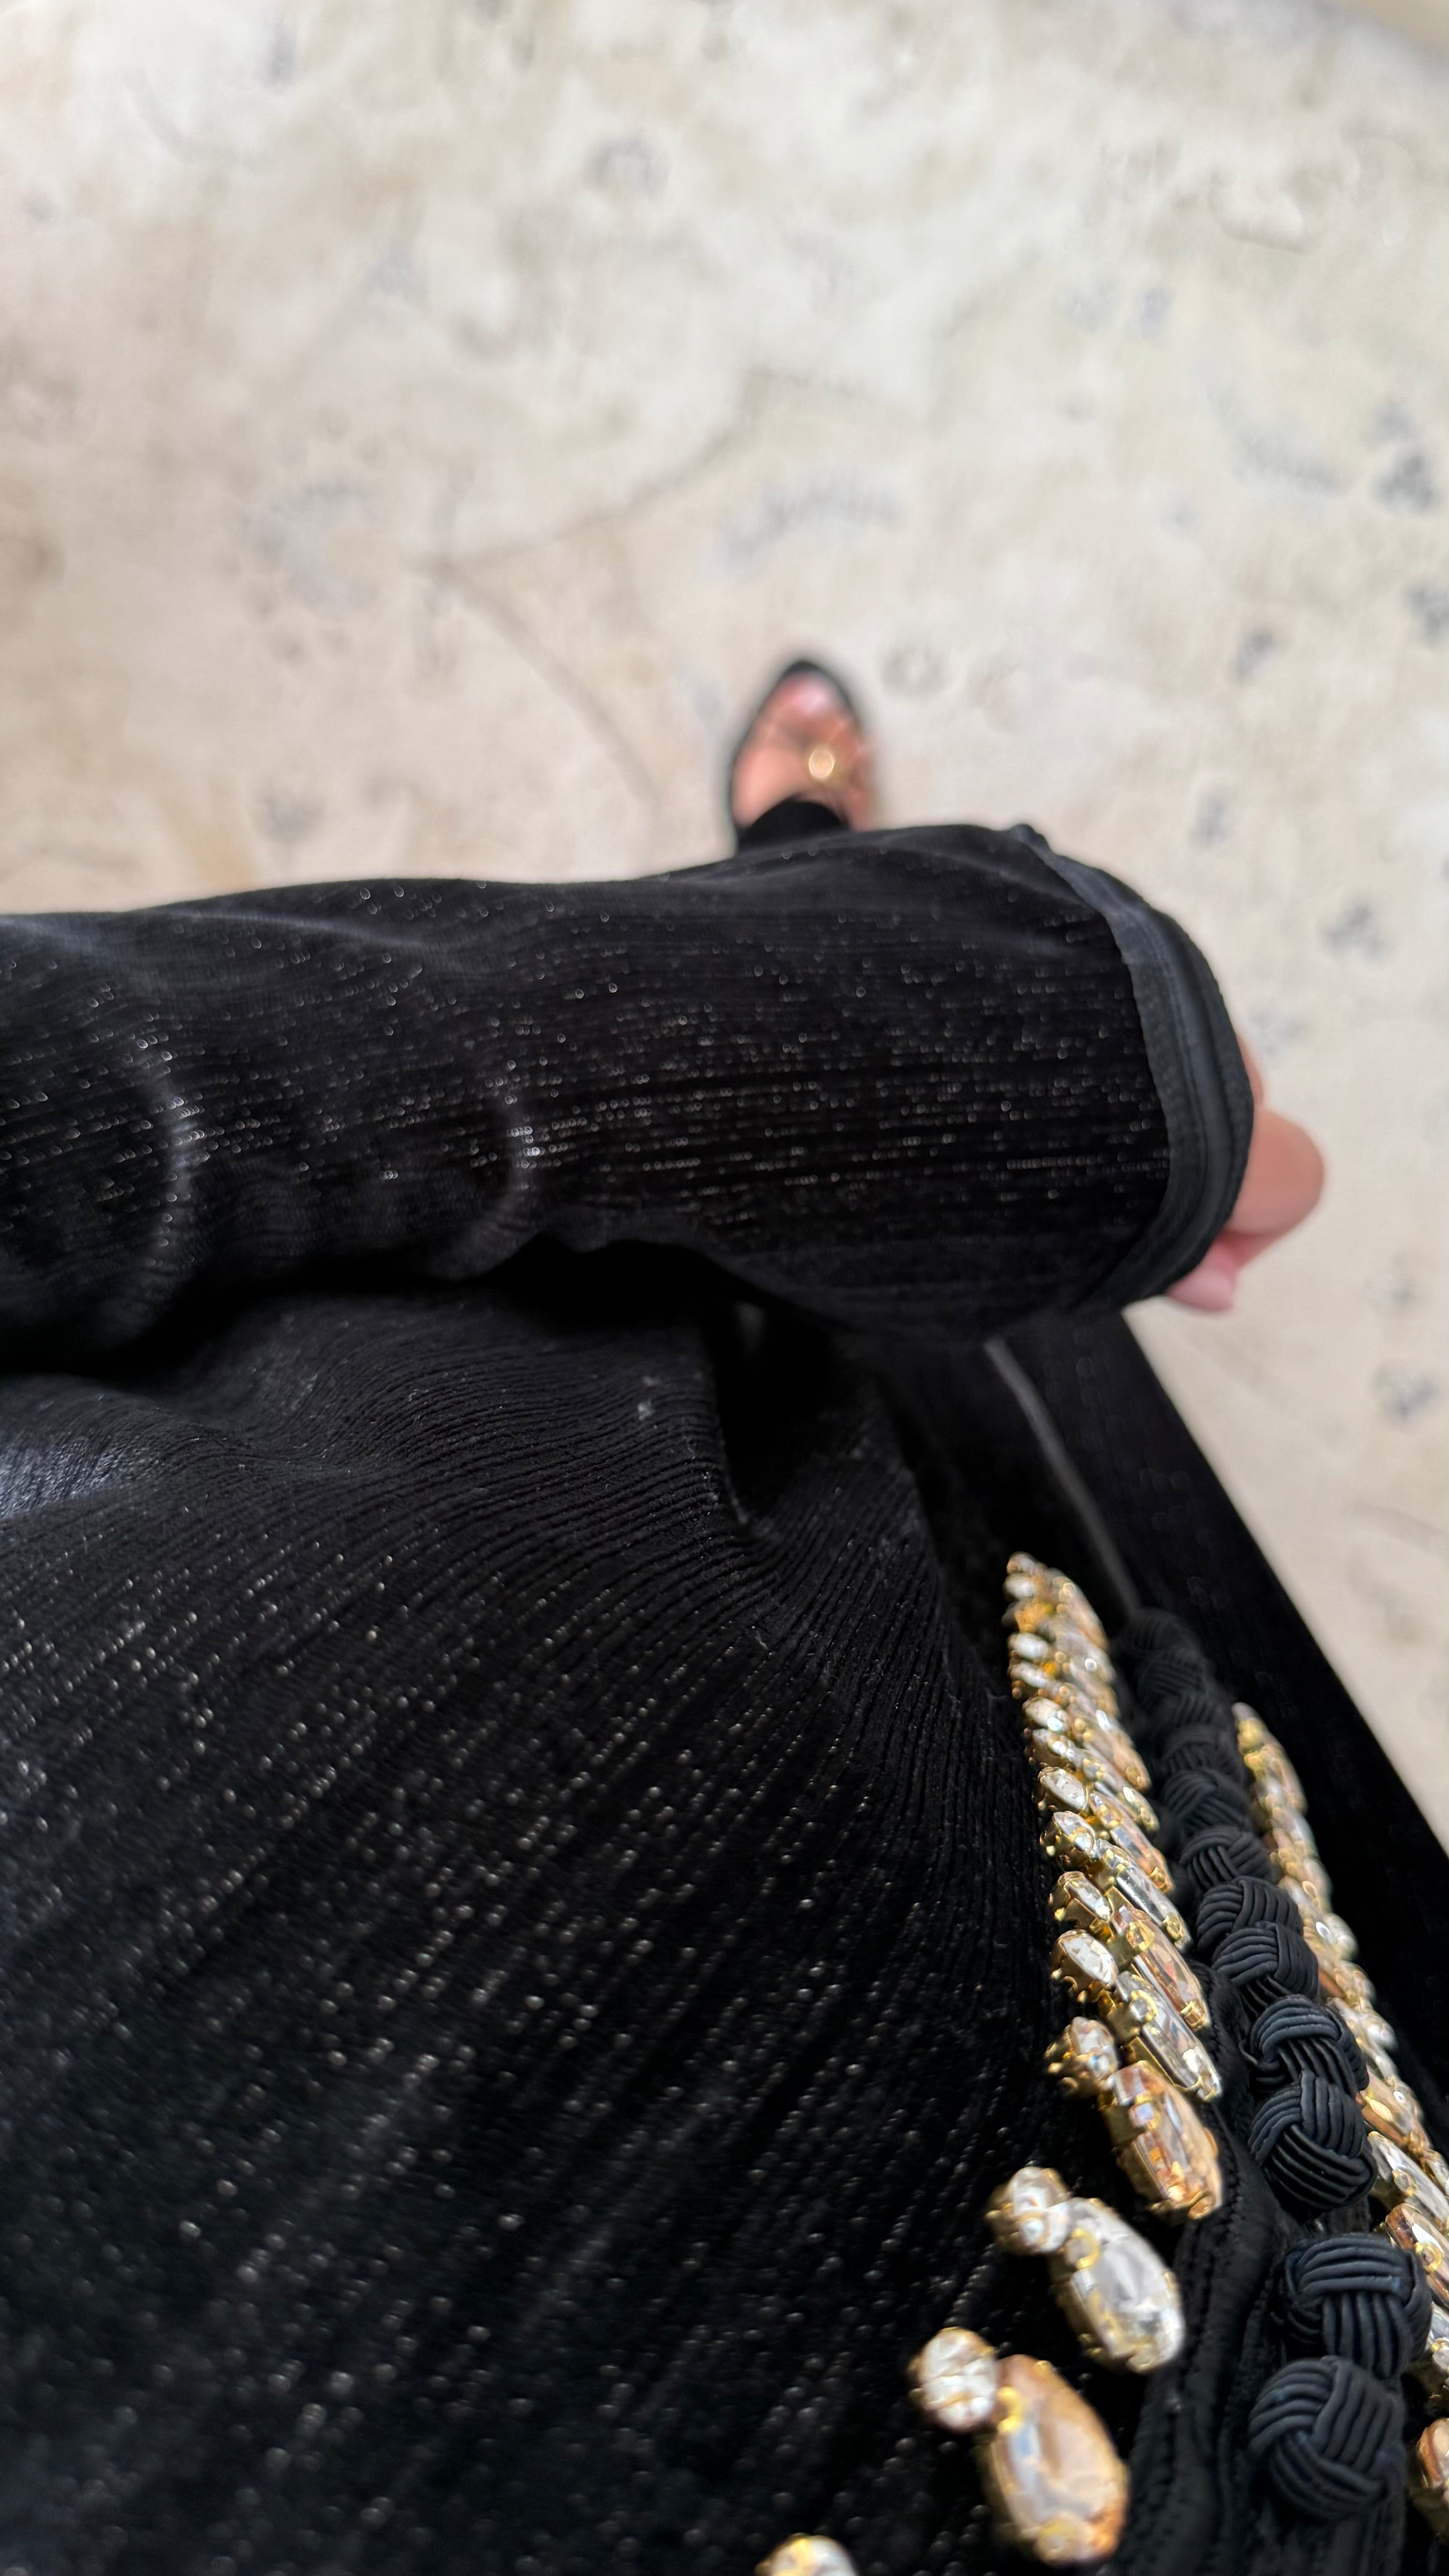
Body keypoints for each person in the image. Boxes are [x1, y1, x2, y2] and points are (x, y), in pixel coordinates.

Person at [0, 662, 1443, 2576]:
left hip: (705, 1556)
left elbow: (80, 1089)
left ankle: (787, 876)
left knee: (882, 1311)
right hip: (1304, 2307)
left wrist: (997, 1053)